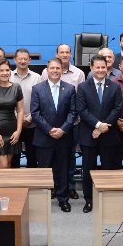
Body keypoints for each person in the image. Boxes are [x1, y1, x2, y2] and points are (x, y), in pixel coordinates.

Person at [77, 55, 123, 213]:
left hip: (109, 136)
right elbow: (82, 110)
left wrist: (103, 127)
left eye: (103, 67)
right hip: (88, 135)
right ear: (91, 68)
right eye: (97, 67)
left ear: (107, 68)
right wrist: (97, 125)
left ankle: (106, 200)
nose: (101, 70)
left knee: (107, 169)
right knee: (88, 168)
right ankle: (88, 200)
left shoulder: (115, 86)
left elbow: (117, 109)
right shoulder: (83, 87)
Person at [31, 58, 77, 212]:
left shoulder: (70, 88)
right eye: (52, 68)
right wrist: (49, 129)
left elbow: (73, 112)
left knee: (63, 169)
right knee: (44, 170)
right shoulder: (37, 88)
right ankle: (43, 199)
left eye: (58, 68)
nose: (55, 71)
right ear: (47, 69)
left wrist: (62, 129)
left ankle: (63, 198)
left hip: (64, 137)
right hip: (44, 136)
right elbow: (35, 113)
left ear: (62, 70)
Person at [10, 48, 42, 169]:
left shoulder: (37, 78)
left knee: (32, 158)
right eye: (20, 59)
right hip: (13, 125)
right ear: (15, 60)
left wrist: (28, 118)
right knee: (14, 158)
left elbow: (41, 101)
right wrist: (18, 117)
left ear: (30, 60)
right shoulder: (9, 77)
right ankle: (15, 187)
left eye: (25, 59)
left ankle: (32, 186)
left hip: (32, 124)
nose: (22, 61)